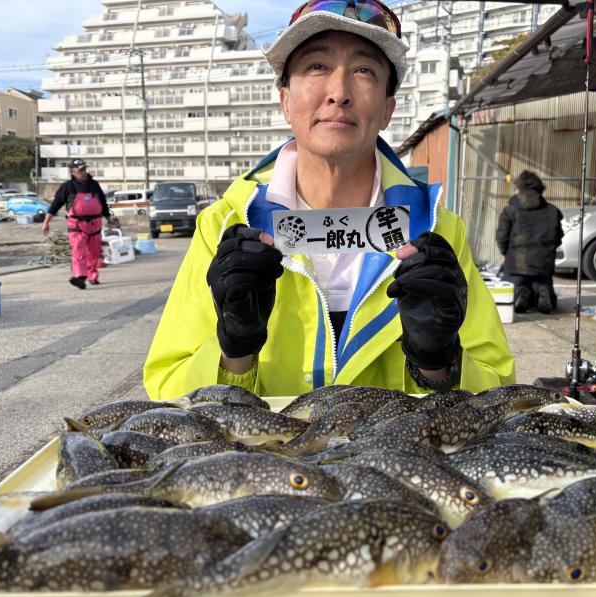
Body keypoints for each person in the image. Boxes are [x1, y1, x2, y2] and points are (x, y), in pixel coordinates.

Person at [144, 0, 515, 399]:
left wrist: (437, 362)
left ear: (388, 108)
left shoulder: (437, 229)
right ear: (285, 99)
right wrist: (234, 350)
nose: (339, 92)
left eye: (364, 71)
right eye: (316, 66)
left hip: (394, 460)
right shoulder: (225, 224)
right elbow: (167, 392)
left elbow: (500, 393)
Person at [496, 170, 563, 314]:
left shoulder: (510, 210)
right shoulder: (552, 211)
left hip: (516, 266)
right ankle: (543, 292)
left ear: (519, 189)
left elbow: (502, 236)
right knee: (542, 285)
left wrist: (504, 252)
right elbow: (558, 238)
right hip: (543, 267)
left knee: (510, 293)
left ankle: (521, 292)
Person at [42, 159, 110, 289]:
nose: (83, 173)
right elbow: (55, 205)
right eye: (80, 170)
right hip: (77, 225)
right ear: (73, 172)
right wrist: (46, 222)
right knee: (79, 251)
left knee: (94, 253)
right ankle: (80, 277)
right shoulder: (67, 186)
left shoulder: (94, 185)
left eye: (84, 169)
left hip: (95, 224)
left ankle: (92, 275)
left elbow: (103, 203)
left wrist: (109, 219)